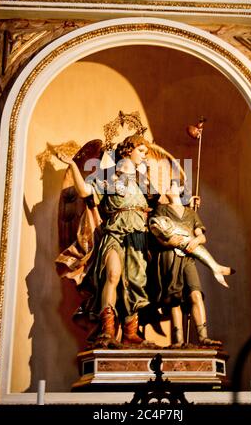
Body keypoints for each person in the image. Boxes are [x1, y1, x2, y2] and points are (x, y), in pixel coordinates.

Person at [56, 133, 155, 347]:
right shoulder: (107, 178)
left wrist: (188, 200)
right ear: (128, 150)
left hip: (137, 237)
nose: (144, 156)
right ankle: (107, 331)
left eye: (146, 152)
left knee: (136, 281)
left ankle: (130, 332)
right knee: (112, 273)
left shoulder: (143, 183)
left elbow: (162, 207)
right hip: (114, 233)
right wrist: (73, 165)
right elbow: (84, 192)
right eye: (141, 151)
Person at [149, 180, 232, 347]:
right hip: (170, 256)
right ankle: (178, 340)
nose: (166, 188)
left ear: (180, 189)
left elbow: (201, 235)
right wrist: (167, 243)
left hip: (188, 257)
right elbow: (155, 233)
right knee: (174, 299)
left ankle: (203, 337)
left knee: (195, 293)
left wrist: (197, 241)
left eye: (170, 185)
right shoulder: (161, 209)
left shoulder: (190, 213)